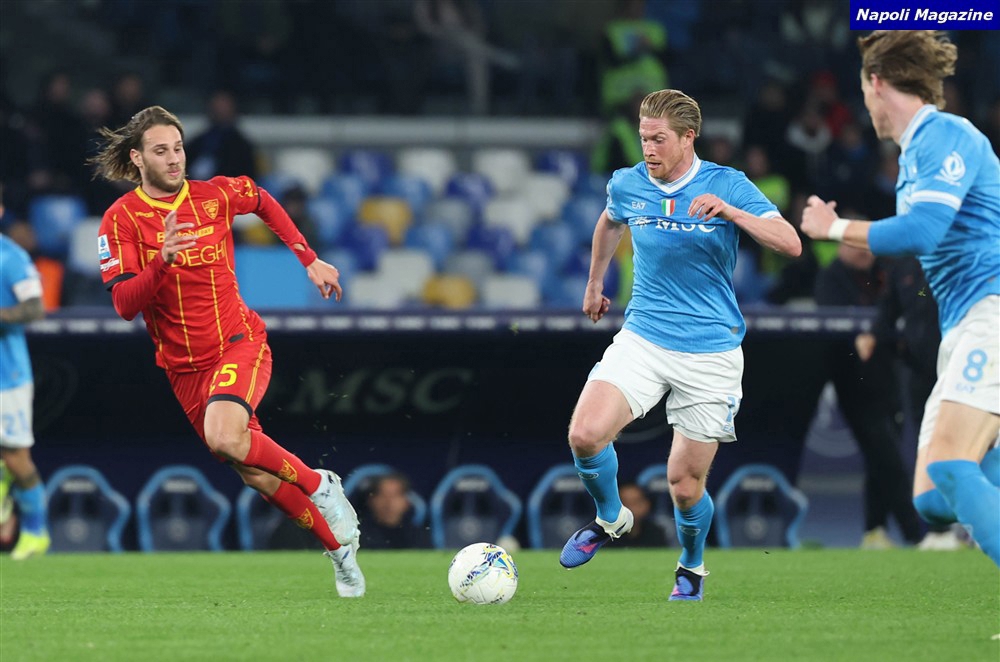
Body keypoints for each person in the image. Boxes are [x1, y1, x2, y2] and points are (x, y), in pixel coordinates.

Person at [90, 106, 365, 596]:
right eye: (161, 151)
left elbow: (262, 199)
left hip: (238, 342)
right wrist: (162, 262)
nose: (174, 159)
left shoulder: (213, 195)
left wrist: (308, 258)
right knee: (255, 474)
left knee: (223, 437)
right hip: (183, 368)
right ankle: (340, 553)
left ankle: (320, 485)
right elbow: (125, 305)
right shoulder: (120, 220)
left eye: (178, 148)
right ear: (137, 158)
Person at [559, 89, 802, 601]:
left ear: (688, 137)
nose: (648, 149)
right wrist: (595, 282)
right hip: (644, 337)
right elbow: (610, 220)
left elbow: (791, 243)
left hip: (711, 351)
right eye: (644, 138)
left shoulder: (726, 183)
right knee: (584, 434)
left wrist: (732, 213)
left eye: (659, 139)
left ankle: (691, 565)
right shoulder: (628, 182)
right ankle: (611, 517)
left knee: (685, 487)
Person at [801, 30, 1000, 567]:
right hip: (964, 322)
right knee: (933, 498)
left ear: (877, 83)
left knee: (952, 466)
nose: (865, 105)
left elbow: (923, 231)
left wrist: (834, 228)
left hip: (992, 311)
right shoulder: (916, 155)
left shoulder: (944, 134)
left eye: (864, 91)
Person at [814, 243, 922, 549]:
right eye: (857, 246)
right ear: (841, 248)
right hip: (854, 381)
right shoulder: (832, 276)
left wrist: (880, 330)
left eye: (867, 246)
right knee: (886, 455)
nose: (865, 252)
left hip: (891, 376)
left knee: (881, 458)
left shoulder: (888, 272)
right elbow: (831, 321)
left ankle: (875, 529)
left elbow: (911, 302)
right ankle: (915, 531)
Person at [0, 188, 49, 560]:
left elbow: (35, 308)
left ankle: (35, 532)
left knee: (16, 457)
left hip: (7, 376)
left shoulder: (10, 257)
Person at [359, 473, 430, 550]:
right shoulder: (356, 536)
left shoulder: (420, 537)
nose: (389, 502)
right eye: (383, 495)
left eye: (395, 495)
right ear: (371, 500)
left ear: (406, 501)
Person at [616, 482, 668, 548]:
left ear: (647, 504)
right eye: (626, 503)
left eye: (636, 503)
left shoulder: (656, 532)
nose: (632, 509)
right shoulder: (607, 535)